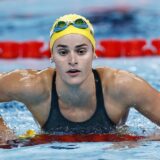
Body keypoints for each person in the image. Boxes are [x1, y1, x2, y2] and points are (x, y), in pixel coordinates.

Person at [0, 14, 160, 142]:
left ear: (94, 53)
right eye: (63, 52)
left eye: (81, 51)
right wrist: (3, 133)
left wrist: (142, 142)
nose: (72, 60)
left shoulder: (121, 86)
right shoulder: (32, 86)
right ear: (52, 56)